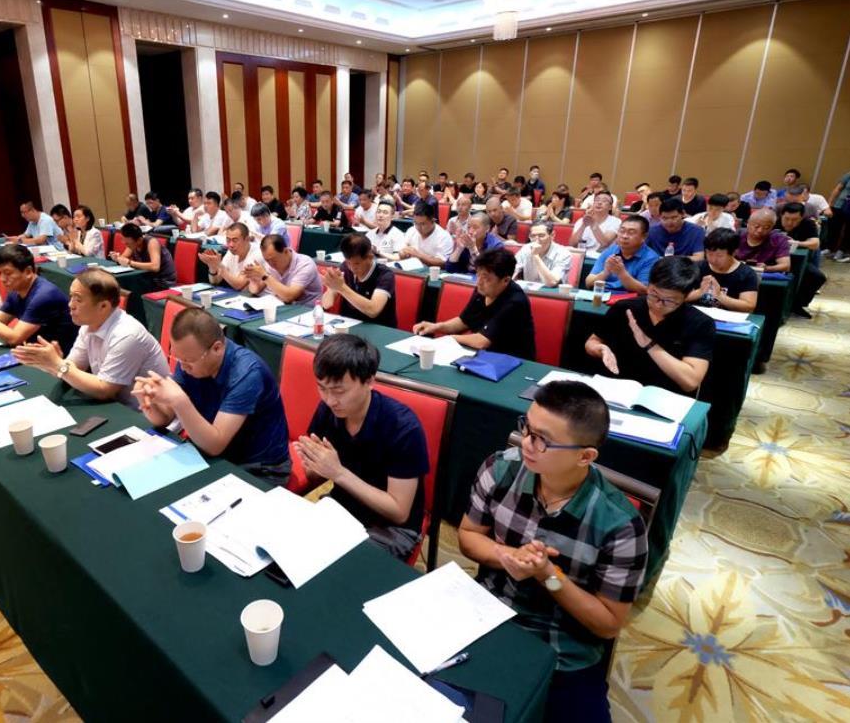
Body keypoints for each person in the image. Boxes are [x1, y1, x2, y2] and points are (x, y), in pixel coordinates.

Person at [458, 380, 647, 723]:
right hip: (487, 614)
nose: (526, 443)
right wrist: (506, 555)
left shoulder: (620, 524)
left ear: (585, 456)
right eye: (526, 428)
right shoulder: (500, 469)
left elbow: (607, 624)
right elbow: (469, 535)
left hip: (563, 647)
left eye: (542, 439)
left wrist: (549, 575)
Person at [295, 336, 430, 560]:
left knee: (337, 568)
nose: (330, 400)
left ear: (369, 381)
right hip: (342, 508)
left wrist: (338, 472)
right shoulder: (328, 410)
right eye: (322, 388)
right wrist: (315, 464)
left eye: (339, 391)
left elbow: (398, 512)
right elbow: (315, 477)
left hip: (391, 528)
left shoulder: (402, 427)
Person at [134, 308, 290, 478]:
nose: (183, 367)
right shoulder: (189, 358)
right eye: (177, 358)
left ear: (217, 348)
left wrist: (179, 400)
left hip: (258, 469)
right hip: (211, 452)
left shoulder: (247, 373)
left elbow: (215, 445)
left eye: (188, 361)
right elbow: (165, 419)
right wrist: (148, 402)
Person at [11, 269, 167, 407]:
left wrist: (58, 364)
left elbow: (105, 390)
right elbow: (74, 367)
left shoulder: (127, 335)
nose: (70, 305)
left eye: (78, 299)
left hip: (145, 414)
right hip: (114, 404)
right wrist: (50, 362)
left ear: (103, 306)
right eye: (71, 297)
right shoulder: (88, 325)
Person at [586, 257, 714, 395]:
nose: (658, 304)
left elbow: (690, 382)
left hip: (663, 397)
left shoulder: (700, 323)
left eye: (669, 301)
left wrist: (649, 345)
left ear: (686, 296)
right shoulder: (625, 308)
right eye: (653, 294)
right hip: (616, 390)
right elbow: (593, 341)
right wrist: (601, 349)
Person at [0, 244, 78, 354]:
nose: (2, 279)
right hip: (37, 352)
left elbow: (14, 339)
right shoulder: (16, 291)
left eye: (8, 273)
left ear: (28, 271)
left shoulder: (44, 295)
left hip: (62, 358)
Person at [413, 248, 536, 359]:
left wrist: (451, 338)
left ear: (506, 280)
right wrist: (436, 327)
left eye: (486, 278)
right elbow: (463, 321)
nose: (479, 282)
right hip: (484, 356)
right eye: (478, 275)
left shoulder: (515, 302)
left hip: (513, 362)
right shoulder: (482, 290)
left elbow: (481, 341)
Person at [322, 234, 397, 328]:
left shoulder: (385, 275)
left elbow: (373, 310)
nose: (352, 268)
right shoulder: (345, 267)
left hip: (378, 328)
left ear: (370, 257)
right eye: (348, 262)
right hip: (348, 326)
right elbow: (327, 304)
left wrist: (341, 288)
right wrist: (331, 287)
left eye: (357, 263)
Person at [688, 228, 758, 313]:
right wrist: (700, 291)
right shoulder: (698, 267)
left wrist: (719, 296)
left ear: (734, 253)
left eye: (719, 256)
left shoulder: (747, 274)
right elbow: (679, 296)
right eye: (709, 254)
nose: (713, 260)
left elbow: (749, 307)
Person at [775, 203, 826, 317]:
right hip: (773, 259)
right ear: (781, 215)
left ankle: (797, 304)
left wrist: (796, 243)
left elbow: (815, 243)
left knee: (817, 276)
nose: (789, 223)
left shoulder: (808, 224)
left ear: (801, 218)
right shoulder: (774, 222)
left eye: (794, 220)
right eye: (786, 219)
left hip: (797, 260)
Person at [585, 216, 659, 294]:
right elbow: (588, 283)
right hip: (602, 294)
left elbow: (645, 290)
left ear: (644, 236)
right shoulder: (610, 251)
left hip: (628, 298)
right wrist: (605, 272)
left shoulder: (651, 258)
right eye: (622, 231)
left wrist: (621, 273)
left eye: (631, 233)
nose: (624, 236)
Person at [246, 234, 323, 305]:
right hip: (281, 305)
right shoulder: (270, 262)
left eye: (274, 260)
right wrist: (254, 281)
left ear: (286, 251)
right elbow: (255, 290)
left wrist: (264, 276)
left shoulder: (305, 264)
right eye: (267, 260)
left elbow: (289, 297)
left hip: (306, 310)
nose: (271, 264)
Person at [199, 222, 265, 292]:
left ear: (247, 239)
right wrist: (212, 266)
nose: (231, 245)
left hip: (257, 296)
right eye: (228, 240)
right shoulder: (231, 252)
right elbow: (216, 281)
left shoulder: (256, 254)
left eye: (235, 240)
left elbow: (239, 285)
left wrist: (219, 265)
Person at [111, 223, 177, 290]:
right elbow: (123, 258)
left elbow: (155, 267)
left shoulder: (152, 242)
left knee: (125, 286)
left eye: (127, 243)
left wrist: (130, 262)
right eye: (123, 241)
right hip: (147, 277)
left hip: (162, 282)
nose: (125, 245)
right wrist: (117, 258)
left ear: (139, 240)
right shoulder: (132, 244)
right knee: (119, 283)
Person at [515, 220, 573, 287]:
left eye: (541, 235)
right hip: (528, 291)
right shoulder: (526, 249)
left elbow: (552, 282)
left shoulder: (564, 254)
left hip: (553, 292)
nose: (536, 240)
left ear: (552, 235)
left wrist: (536, 256)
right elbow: (512, 271)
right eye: (533, 236)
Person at [447, 209, 504, 274]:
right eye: (468, 227)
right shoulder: (466, 241)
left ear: (487, 229)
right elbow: (449, 268)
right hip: (464, 278)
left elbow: (487, 272)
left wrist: (473, 249)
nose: (470, 231)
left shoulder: (496, 246)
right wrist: (459, 249)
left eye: (475, 227)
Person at [401, 202, 454, 267]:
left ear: (433, 221)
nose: (418, 227)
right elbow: (402, 249)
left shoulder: (444, 237)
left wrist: (418, 255)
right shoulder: (412, 230)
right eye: (416, 223)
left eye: (422, 224)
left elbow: (443, 262)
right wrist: (403, 253)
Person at [827, 168, 850, 261]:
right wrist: (829, 204)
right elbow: (838, 188)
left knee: (849, 231)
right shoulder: (849, 174)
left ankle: (841, 251)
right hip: (839, 205)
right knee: (834, 228)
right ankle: (829, 248)